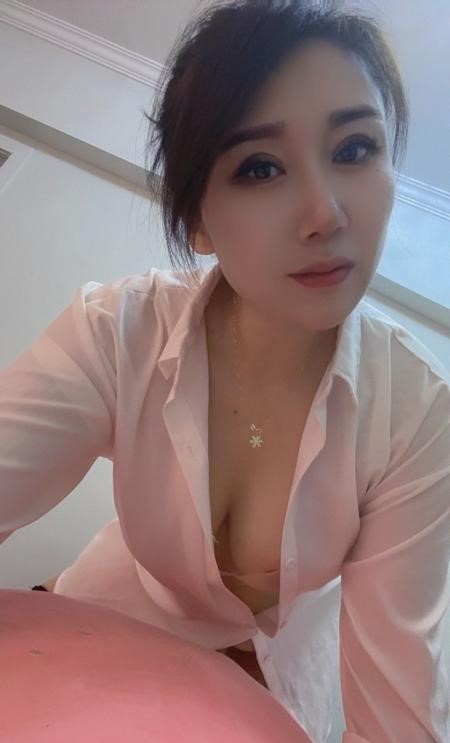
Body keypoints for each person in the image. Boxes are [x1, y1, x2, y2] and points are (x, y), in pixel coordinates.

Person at [1, 1, 449, 741]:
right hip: (103, 630)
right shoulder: (119, 331)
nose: (325, 213)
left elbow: (396, 720)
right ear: (198, 221)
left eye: (354, 148)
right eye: (260, 167)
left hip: (275, 688)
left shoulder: (416, 412)